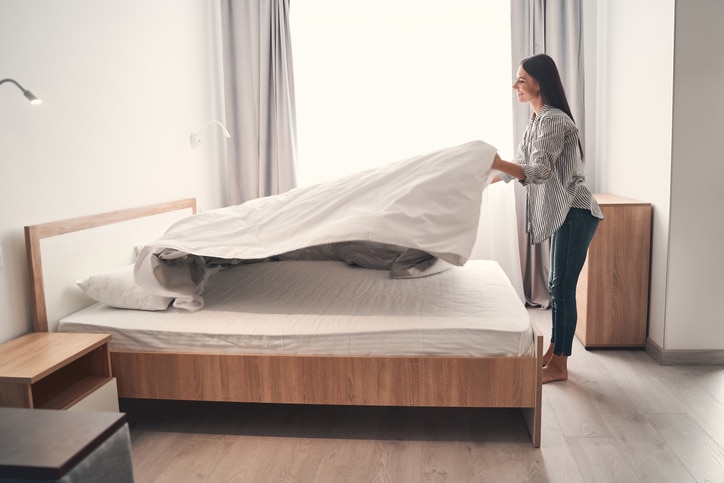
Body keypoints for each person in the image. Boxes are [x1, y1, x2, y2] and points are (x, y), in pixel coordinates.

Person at [491, 53, 603, 384]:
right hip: (564, 214)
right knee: (557, 288)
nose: (515, 86)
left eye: (521, 79)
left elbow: (538, 172)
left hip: (575, 212)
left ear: (540, 82)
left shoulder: (553, 121)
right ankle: (553, 352)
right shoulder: (537, 120)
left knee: (561, 288)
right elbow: (519, 164)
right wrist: (484, 177)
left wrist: (497, 163)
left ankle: (560, 364)